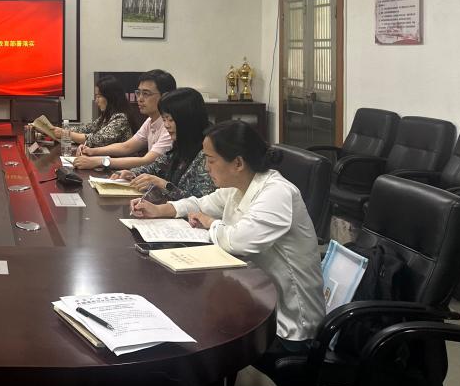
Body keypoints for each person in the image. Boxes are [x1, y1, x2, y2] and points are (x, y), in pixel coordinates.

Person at [129, 120, 325, 346]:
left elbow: (238, 242)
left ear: (238, 163)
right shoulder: (239, 186)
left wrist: (211, 223)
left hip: (288, 326)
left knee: (198, 332)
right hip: (251, 297)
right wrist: (159, 210)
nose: (206, 168)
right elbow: (200, 203)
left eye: (211, 160)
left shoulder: (277, 193)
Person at [114, 87, 216, 201]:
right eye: (164, 119)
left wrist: (164, 185)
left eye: (170, 120)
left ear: (187, 119)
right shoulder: (180, 146)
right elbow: (155, 167)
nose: (166, 125)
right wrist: (132, 173)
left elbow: (203, 202)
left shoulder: (208, 153)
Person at [72, 69, 176, 172]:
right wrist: (92, 151)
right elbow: (126, 146)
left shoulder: (171, 127)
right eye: (138, 93)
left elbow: (147, 161)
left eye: (146, 94)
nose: (139, 99)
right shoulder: (150, 120)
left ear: (164, 96)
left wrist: (101, 161)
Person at [47, 76, 133, 148]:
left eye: (98, 96)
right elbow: (86, 129)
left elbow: (97, 139)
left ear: (111, 97)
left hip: (120, 162)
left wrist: (66, 134)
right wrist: (60, 130)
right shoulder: (106, 116)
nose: (96, 101)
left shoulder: (121, 118)